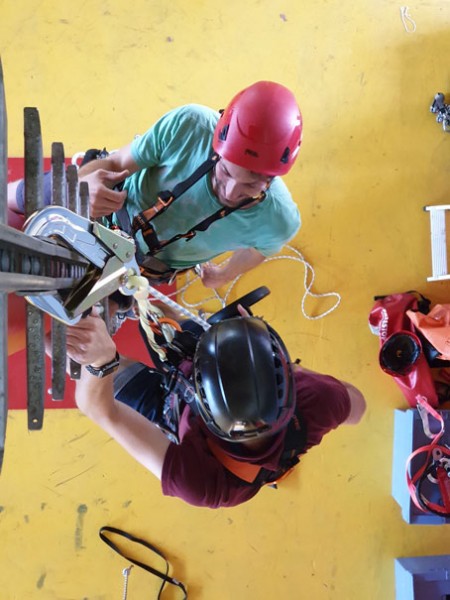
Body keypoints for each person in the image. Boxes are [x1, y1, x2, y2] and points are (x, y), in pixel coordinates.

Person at [61, 307, 366, 509]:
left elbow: (99, 409)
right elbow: (358, 407)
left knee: (66, 348)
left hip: (168, 408)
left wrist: (100, 361)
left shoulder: (203, 482)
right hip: (200, 383)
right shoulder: (319, 398)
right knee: (148, 306)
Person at [9, 81, 303, 288]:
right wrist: (84, 186)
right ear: (216, 146)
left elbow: (260, 249)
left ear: (272, 179)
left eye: (250, 186)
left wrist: (224, 275)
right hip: (107, 208)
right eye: (225, 172)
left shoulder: (279, 220)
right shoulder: (189, 126)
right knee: (22, 197)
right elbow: (115, 163)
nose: (229, 192)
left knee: (64, 315)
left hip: (137, 268)